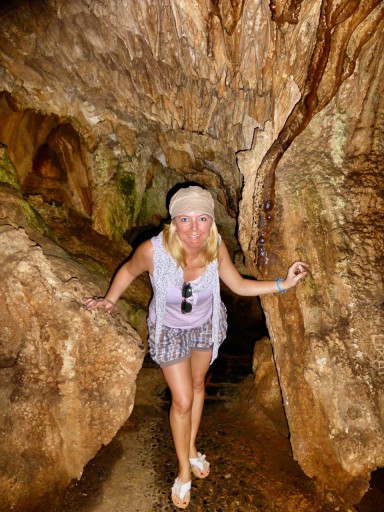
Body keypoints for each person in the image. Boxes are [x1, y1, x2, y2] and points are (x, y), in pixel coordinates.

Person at [84, 185, 308, 509]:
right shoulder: (153, 251)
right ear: (173, 222)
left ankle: (190, 447)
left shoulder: (215, 247)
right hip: (169, 329)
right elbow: (129, 270)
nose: (193, 228)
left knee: (199, 384)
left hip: (205, 324)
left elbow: (238, 284)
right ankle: (183, 470)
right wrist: (109, 299)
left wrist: (281, 284)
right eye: (185, 219)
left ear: (211, 222)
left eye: (202, 219)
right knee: (183, 399)